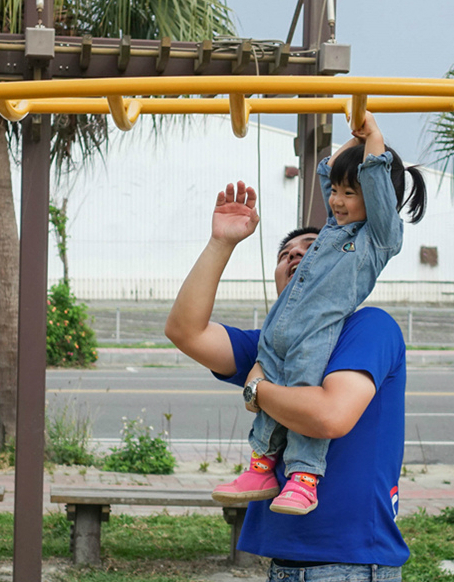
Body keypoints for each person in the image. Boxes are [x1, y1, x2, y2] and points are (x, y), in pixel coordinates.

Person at [165, 179, 408, 581]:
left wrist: (257, 388)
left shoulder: (369, 327)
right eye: (285, 254)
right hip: (284, 565)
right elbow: (185, 332)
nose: (296, 255)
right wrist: (221, 243)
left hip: (349, 565)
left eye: (311, 249)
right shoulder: (270, 348)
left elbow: (329, 416)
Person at [210, 112, 426, 516]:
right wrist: (353, 141)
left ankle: (304, 478)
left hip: (315, 334)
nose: (337, 201)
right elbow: (329, 172)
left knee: (301, 399)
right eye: (337, 193)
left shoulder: (378, 238)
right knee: (272, 408)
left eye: (349, 194)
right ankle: (260, 467)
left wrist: (374, 139)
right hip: (280, 329)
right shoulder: (332, 229)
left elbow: (376, 183)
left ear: (376, 200)